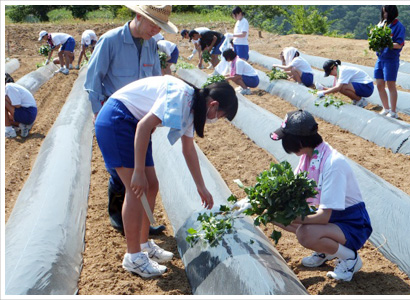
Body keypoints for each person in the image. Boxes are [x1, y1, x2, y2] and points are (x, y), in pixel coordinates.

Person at [94, 75, 238, 278]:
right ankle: (133, 257)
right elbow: (144, 126)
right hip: (118, 121)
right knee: (136, 190)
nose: (217, 120)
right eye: (221, 115)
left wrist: (201, 187)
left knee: (152, 185)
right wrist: (137, 172)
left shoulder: (193, 105)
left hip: (132, 124)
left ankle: (144, 244)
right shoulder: (181, 97)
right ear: (213, 105)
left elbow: (188, 150)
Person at [84, 5, 178, 235]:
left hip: (140, 119)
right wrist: (99, 113)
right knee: (122, 174)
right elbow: (93, 81)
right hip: (116, 118)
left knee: (145, 175)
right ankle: (119, 215)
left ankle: (143, 222)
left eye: (160, 27)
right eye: (153, 25)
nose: (156, 31)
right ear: (138, 16)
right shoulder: (111, 41)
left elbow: (157, 79)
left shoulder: (151, 44)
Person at [269, 110, 372, 282]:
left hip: (352, 224)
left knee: (305, 233)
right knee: (275, 215)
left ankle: (350, 258)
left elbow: (324, 216)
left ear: (299, 140)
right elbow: (293, 193)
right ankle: (326, 250)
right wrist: (261, 203)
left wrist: (294, 216)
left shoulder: (333, 164)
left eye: (286, 139)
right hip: (333, 220)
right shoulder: (309, 158)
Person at [374, 5, 405, 118]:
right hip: (380, 58)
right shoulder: (381, 24)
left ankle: (393, 111)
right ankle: (385, 108)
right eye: (383, 12)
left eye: (386, 12)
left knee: (391, 85)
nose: (385, 15)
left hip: (391, 59)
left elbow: (399, 44)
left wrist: (387, 43)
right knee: (379, 85)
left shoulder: (398, 26)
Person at [5, 73, 38, 138]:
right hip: (29, 113)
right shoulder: (9, 87)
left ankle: (9, 131)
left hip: (28, 113)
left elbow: (17, 106)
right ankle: (22, 125)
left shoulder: (9, 87)